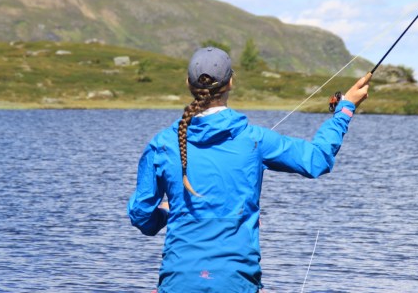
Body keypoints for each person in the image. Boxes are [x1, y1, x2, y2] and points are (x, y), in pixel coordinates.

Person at [127, 46, 369, 293]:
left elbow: (143, 218)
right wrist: (345, 109)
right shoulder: (255, 139)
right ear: (231, 82)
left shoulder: (161, 145)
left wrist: (168, 212)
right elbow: (317, 159)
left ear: (188, 83)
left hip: (177, 283)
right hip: (237, 284)